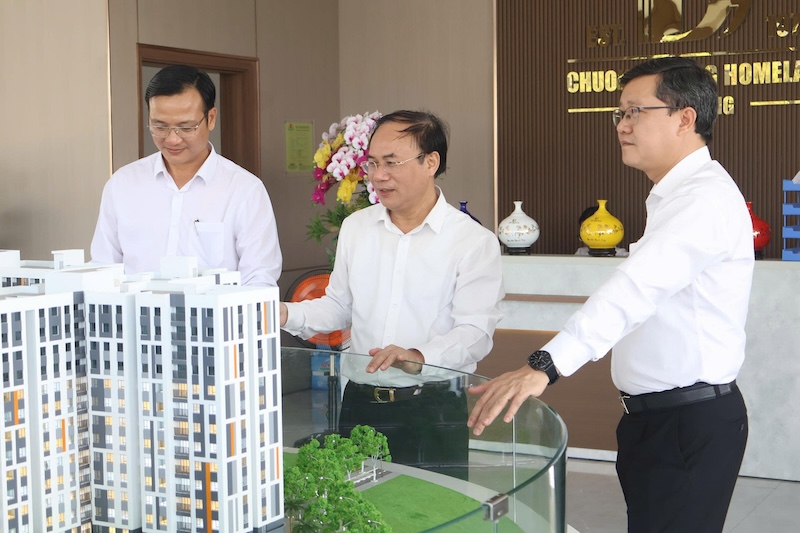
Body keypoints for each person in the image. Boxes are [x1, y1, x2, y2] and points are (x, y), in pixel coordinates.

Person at [468, 57, 754, 533]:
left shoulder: (701, 200)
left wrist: (545, 365)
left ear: (685, 118)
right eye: (619, 114)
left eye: (635, 111)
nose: (623, 125)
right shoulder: (673, 196)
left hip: (687, 425)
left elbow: (634, 290)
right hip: (660, 421)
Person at [281, 110, 504, 476]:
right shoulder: (357, 228)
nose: (378, 176)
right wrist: (286, 314)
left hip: (432, 407)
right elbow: (339, 307)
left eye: (391, 163)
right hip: (359, 401)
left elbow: (475, 332)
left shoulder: (472, 241)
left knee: (431, 515)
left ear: (430, 162)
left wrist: (417, 356)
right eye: (371, 163)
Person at [91, 65, 282, 286]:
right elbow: (103, 269)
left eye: (186, 127)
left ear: (211, 118)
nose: (172, 139)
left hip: (215, 320)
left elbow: (259, 279)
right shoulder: (122, 185)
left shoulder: (244, 190)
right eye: (159, 126)